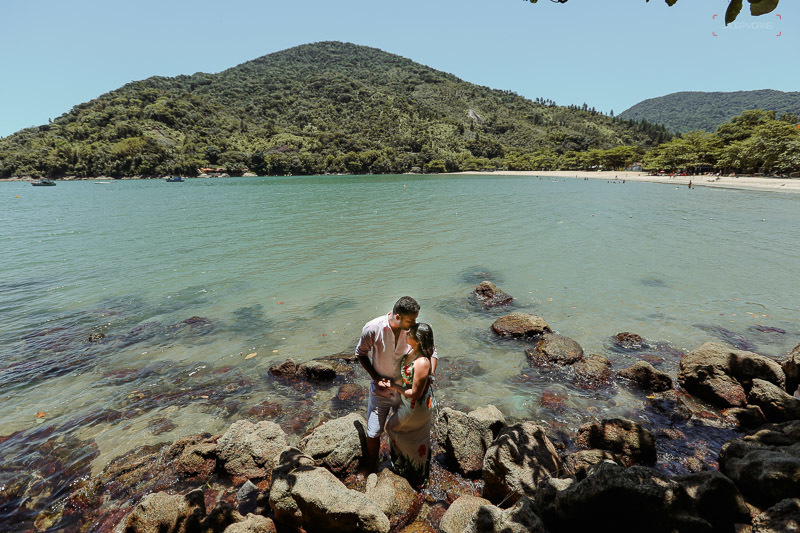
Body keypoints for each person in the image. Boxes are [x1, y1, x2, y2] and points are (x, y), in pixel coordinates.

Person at [355, 297, 438, 472]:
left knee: (404, 431)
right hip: (381, 390)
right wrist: (375, 376)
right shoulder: (373, 328)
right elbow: (360, 353)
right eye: (411, 320)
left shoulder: (411, 330)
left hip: (405, 393)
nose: (415, 323)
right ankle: (372, 466)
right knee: (373, 432)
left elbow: (432, 350)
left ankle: (403, 464)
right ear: (398, 316)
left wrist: (429, 375)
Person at [386, 322, 436, 487]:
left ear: (418, 340)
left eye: (410, 334)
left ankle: (410, 471)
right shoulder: (413, 351)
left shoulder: (422, 362)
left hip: (415, 406)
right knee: (416, 435)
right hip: (412, 403)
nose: (406, 334)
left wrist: (394, 386)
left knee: (391, 428)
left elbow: (415, 393)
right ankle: (418, 470)